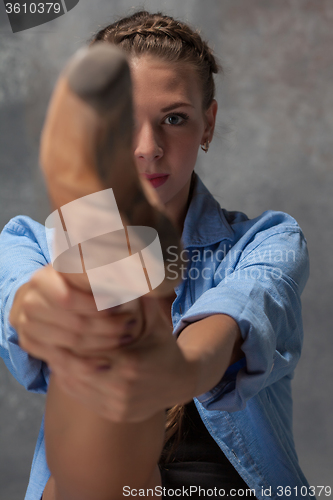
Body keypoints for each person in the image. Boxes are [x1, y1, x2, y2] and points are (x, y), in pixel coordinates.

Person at [0, 10, 312, 500]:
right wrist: (44, 312)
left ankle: (131, 325)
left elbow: (236, 319)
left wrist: (176, 369)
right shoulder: (31, 243)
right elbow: (20, 303)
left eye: (174, 119)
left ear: (208, 125)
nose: (148, 148)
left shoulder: (268, 240)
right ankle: (118, 301)